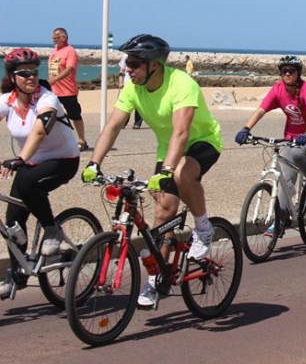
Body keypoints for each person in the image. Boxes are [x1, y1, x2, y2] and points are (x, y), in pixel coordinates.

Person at [81, 34, 223, 308]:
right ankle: (157, 278)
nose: (127, 69)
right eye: (126, 63)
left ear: (154, 65)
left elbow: (182, 133)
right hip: (166, 148)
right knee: (162, 213)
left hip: (202, 141)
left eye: (134, 64)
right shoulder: (133, 88)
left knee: (182, 175)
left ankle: (204, 227)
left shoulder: (182, 83)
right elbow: (112, 127)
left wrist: (167, 170)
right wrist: (93, 163)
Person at [0, 48, 80, 298]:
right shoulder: (7, 101)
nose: (31, 77)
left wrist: (20, 159)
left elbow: (38, 131)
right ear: (12, 77)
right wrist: (24, 160)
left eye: (34, 72)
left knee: (26, 179)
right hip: (32, 163)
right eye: (24, 73)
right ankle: (17, 274)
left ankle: (51, 228)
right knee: (12, 221)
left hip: (63, 160)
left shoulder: (47, 99)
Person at [235, 55, 306, 221]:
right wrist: (246, 129)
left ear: (298, 73)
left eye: (291, 71)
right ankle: (282, 218)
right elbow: (260, 110)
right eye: (284, 71)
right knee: (286, 180)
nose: (288, 74)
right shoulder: (278, 90)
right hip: (291, 137)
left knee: (296, 154)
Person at [48, 27, 88, 151]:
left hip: (67, 91)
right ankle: (54, 141)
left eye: (56, 38)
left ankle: (82, 140)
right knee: (51, 115)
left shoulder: (70, 51)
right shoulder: (54, 51)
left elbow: (70, 68)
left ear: (63, 38)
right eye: (53, 38)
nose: (54, 40)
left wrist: (55, 79)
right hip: (53, 91)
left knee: (74, 115)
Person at [117, 54, 143, 129]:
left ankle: (137, 123)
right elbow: (122, 70)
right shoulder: (125, 56)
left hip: (139, 83)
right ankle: (124, 122)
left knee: (139, 104)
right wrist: (120, 82)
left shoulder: (142, 56)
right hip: (127, 83)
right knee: (126, 104)